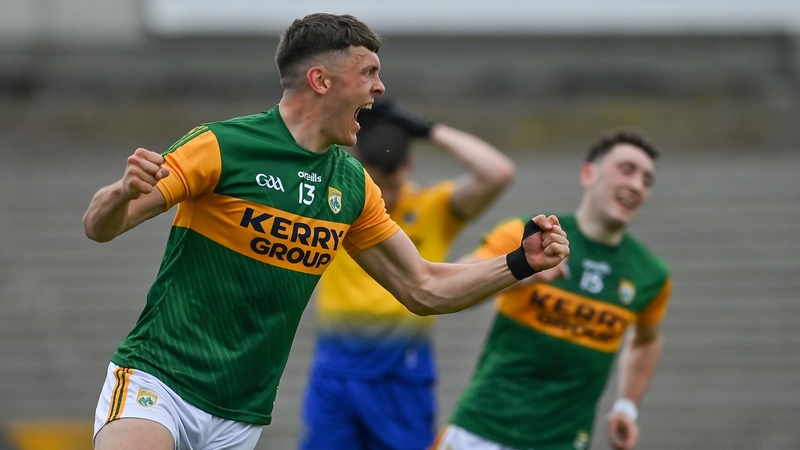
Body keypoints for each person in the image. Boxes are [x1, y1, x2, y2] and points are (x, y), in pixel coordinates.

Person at [82, 12, 569, 450]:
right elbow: (100, 227)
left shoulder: (353, 186)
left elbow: (424, 287)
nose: (379, 88)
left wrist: (521, 262)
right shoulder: (223, 145)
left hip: (239, 416)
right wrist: (121, 191)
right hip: (160, 379)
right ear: (320, 80)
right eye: (369, 73)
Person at [431, 131, 672, 450]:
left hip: (564, 442)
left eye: (647, 179)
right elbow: (454, 282)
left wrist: (627, 406)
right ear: (589, 174)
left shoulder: (650, 274)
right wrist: (520, 271)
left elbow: (647, 340)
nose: (637, 185)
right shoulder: (529, 235)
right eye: (627, 170)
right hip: (483, 430)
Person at [299, 99, 516, 450]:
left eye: (393, 185)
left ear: (410, 166)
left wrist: (426, 129)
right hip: (335, 376)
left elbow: (499, 173)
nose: (383, 198)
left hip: (403, 379)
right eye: (377, 185)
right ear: (360, 169)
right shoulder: (337, 202)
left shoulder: (432, 208)